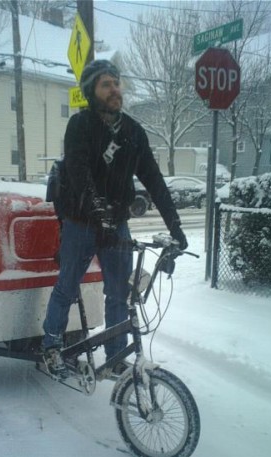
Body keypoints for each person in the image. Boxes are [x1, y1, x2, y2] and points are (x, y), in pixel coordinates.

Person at [42, 59, 187, 378]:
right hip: (81, 223)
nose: (114, 89)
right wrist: (100, 220)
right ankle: (51, 345)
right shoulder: (80, 126)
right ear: (92, 91)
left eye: (117, 83)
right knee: (67, 285)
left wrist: (176, 227)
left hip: (116, 224)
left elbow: (154, 180)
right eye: (106, 84)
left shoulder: (133, 132)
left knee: (118, 291)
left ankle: (116, 355)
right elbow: (80, 176)